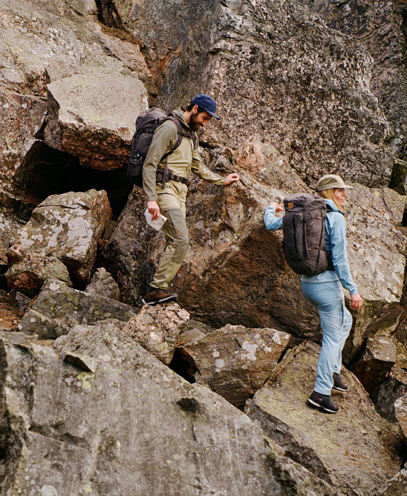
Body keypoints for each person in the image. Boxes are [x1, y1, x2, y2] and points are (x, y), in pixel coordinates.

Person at [264, 174, 363, 414]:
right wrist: (353, 290)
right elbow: (339, 258)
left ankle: (334, 372)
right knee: (331, 337)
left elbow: (271, 224)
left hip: (308, 283)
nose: (344, 194)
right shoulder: (336, 218)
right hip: (328, 285)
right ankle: (321, 393)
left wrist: (270, 208)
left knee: (345, 322)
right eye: (340, 190)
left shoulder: (301, 215)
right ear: (329, 192)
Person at [141, 94, 240, 305]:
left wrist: (221, 180)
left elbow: (197, 166)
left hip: (181, 195)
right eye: (204, 118)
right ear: (194, 109)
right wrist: (151, 199)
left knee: (174, 240)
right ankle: (156, 290)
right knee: (181, 240)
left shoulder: (192, 136)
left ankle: (156, 291)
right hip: (164, 191)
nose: (205, 124)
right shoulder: (170, 128)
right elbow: (150, 164)